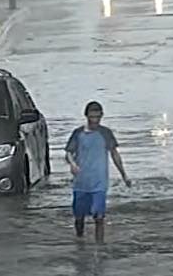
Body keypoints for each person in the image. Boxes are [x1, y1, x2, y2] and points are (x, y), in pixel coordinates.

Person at [65, 101, 131, 244]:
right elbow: (69, 153)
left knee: (99, 217)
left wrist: (124, 175)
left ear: (101, 116)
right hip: (81, 182)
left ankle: (99, 247)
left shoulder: (105, 133)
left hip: (99, 182)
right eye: (92, 117)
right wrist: (72, 164)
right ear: (86, 116)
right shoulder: (78, 133)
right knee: (79, 217)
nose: (94, 121)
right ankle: (79, 241)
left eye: (97, 117)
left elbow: (114, 154)